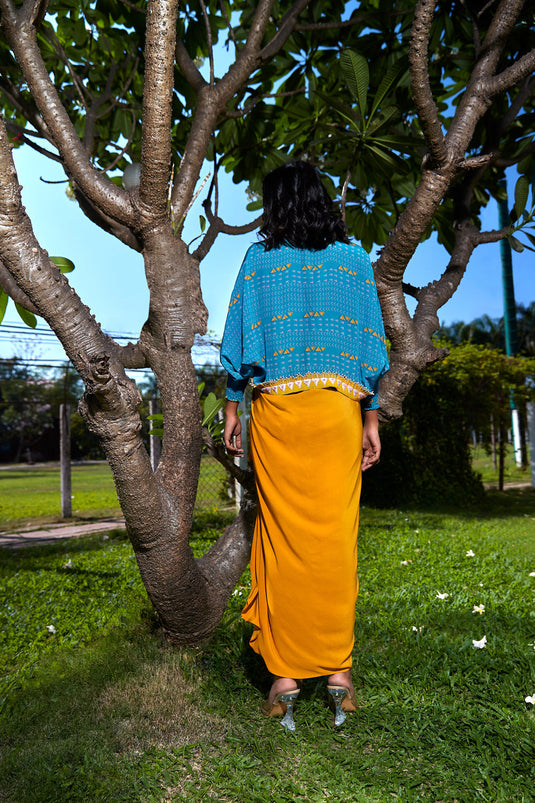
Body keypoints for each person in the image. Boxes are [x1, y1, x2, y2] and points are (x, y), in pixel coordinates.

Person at [220, 161, 389, 730]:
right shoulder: (355, 262)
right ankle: (339, 678)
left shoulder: (259, 261)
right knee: (337, 539)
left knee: (282, 535)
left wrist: (232, 405)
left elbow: (239, 338)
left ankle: (286, 679)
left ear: (277, 206)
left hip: (279, 415)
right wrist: (370, 419)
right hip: (338, 412)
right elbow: (369, 351)